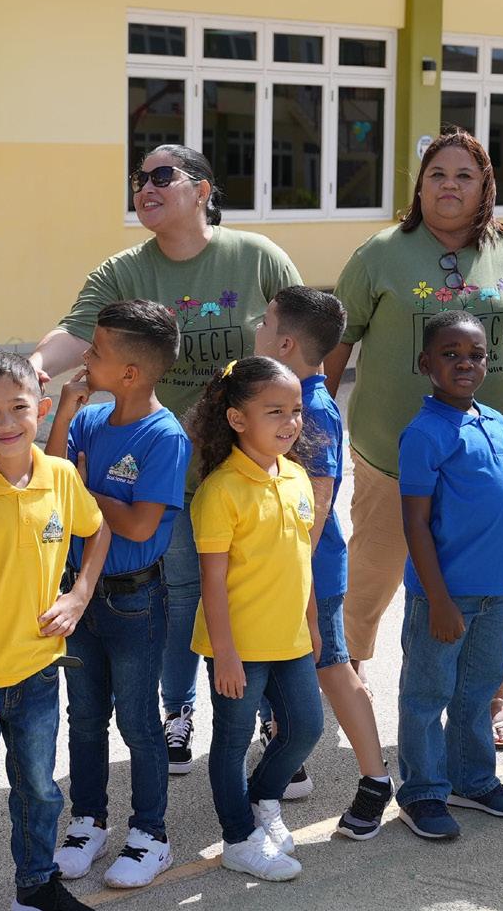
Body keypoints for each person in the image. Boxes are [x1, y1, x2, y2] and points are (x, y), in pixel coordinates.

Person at [31, 145, 301, 774]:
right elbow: (76, 331)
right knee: (182, 600)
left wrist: (306, 434)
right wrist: (33, 370)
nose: (144, 187)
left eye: (161, 176)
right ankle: (177, 713)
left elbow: (300, 341)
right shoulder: (124, 270)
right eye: (138, 179)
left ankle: (273, 719)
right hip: (172, 470)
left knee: (259, 595)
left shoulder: (257, 256)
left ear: (203, 189)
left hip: (252, 469)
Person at [326, 129, 503, 750]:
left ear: (486, 186)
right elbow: (337, 343)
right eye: (437, 174)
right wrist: (314, 419)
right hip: (393, 451)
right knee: (378, 563)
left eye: (464, 175)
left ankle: (493, 693)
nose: (449, 185)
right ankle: (347, 666)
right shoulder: (380, 255)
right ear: (420, 186)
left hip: (499, 454)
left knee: (492, 572)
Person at [0, 352, 111, 911]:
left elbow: (98, 529)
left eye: (18, 407)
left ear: (43, 408)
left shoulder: (60, 476)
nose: (5, 422)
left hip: (38, 672)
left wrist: (79, 594)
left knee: (39, 789)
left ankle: (36, 885)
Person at [44, 300, 189, 888]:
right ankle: (88, 821)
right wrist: (63, 411)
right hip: (78, 597)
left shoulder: (164, 436)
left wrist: (85, 489)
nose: (85, 355)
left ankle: (151, 834)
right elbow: (50, 482)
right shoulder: (88, 420)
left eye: (97, 350)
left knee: (137, 720)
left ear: (130, 373)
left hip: (135, 602)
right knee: (84, 718)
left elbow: (138, 524)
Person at [252, 286, 394, 839]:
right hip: (279, 566)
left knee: (332, 667)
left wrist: (295, 574)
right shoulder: (282, 394)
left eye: (265, 323)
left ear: (286, 343)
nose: (257, 329)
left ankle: (376, 780)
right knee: (285, 664)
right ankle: (288, 760)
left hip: (308, 569)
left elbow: (318, 499)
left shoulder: (309, 407)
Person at [183, 357, 324, 881]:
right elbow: (212, 581)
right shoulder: (220, 491)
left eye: (296, 410)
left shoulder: (297, 477)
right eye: (275, 411)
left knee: (306, 727)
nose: (291, 422)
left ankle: (263, 799)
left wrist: (313, 625)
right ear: (238, 419)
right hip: (238, 646)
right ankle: (238, 839)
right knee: (233, 740)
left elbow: (303, 562)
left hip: (290, 638)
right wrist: (225, 654)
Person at [395, 311, 503, 841]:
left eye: (475, 355)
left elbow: (495, 481)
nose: (465, 364)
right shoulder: (424, 433)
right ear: (425, 363)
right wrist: (439, 599)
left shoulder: (492, 418)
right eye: (450, 355)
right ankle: (422, 793)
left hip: (496, 592)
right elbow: (415, 522)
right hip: (445, 596)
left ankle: (471, 780)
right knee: (427, 697)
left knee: (477, 692)